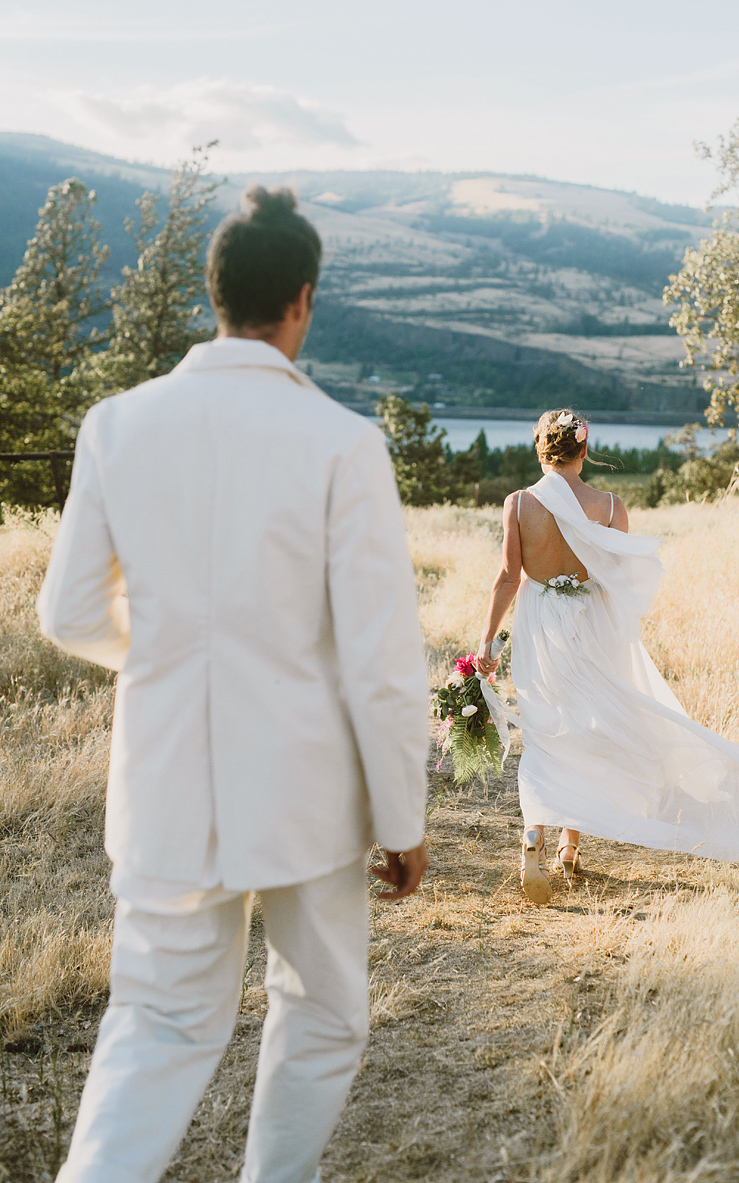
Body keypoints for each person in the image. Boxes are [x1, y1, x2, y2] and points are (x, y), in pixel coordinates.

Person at [36, 185, 430, 1182]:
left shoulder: (117, 424)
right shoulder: (344, 443)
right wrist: (403, 817)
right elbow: (381, 662)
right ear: (301, 300)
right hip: (309, 794)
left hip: (166, 781)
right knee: (322, 1011)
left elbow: (70, 613)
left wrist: (174, 661)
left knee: (158, 1025)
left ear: (217, 295)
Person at [472, 409, 739, 903]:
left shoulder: (519, 503)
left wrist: (486, 641)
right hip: (592, 627)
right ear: (584, 451)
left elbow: (509, 577)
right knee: (587, 731)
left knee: (547, 731)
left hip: (539, 626)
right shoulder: (611, 506)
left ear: (540, 449)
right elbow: (619, 581)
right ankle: (568, 851)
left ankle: (535, 834)